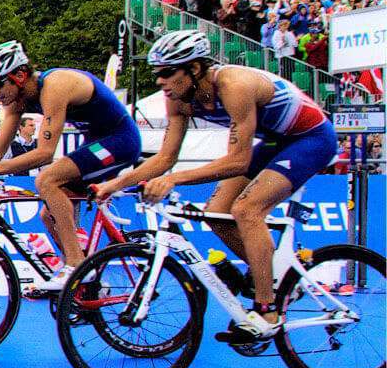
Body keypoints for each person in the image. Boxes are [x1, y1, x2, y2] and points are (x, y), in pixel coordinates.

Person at [93, 31, 337, 343]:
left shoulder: (234, 85)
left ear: (194, 69)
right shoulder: (179, 99)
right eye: (158, 74)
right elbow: (166, 157)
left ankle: (267, 310)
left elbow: (236, 161)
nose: (160, 82)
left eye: (167, 72)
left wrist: (174, 179)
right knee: (216, 213)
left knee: (247, 209)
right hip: (276, 140)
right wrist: (114, 184)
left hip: (311, 138)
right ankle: (280, 280)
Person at [0, 40, 141, 283]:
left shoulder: (54, 86)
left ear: (19, 75)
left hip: (121, 140)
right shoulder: (17, 100)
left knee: (47, 180)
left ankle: (76, 265)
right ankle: (87, 282)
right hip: (97, 141)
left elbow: (44, 153)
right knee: (48, 215)